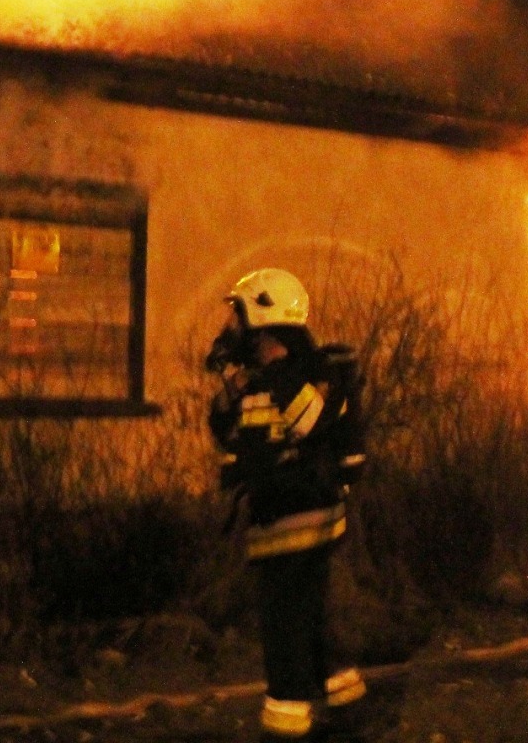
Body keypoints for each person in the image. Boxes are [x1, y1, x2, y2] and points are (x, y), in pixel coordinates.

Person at [207, 268, 371, 741]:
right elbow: (241, 445)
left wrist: (272, 374)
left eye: (240, 318)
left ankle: (286, 725)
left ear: (264, 316)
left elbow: (311, 422)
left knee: (285, 631)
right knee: (310, 619)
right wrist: (226, 403)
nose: (234, 330)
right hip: (277, 521)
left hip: (299, 521)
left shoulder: (304, 375)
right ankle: (346, 701)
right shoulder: (264, 381)